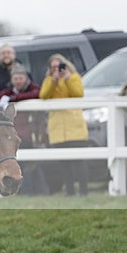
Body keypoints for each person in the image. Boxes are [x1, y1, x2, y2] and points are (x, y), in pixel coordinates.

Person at [0, 63, 47, 195]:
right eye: (15, 78)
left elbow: (37, 94)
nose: (18, 81)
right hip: (14, 136)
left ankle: (40, 192)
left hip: (31, 134)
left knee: (33, 166)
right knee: (23, 166)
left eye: (20, 78)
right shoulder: (9, 91)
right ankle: (25, 193)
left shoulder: (33, 89)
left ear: (26, 78)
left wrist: (13, 99)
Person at [39, 53, 89, 196]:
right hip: (58, 128)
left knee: (79, 162)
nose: (57, 69)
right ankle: (70, 192)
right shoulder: (49, 80)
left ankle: (84, 191)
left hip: (74, 127)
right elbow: (43, 95)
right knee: (64, 164)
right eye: (53, 67)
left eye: (59, 66)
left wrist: (67, 78)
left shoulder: (74, 78)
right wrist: (53, 81)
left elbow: (78, 93)